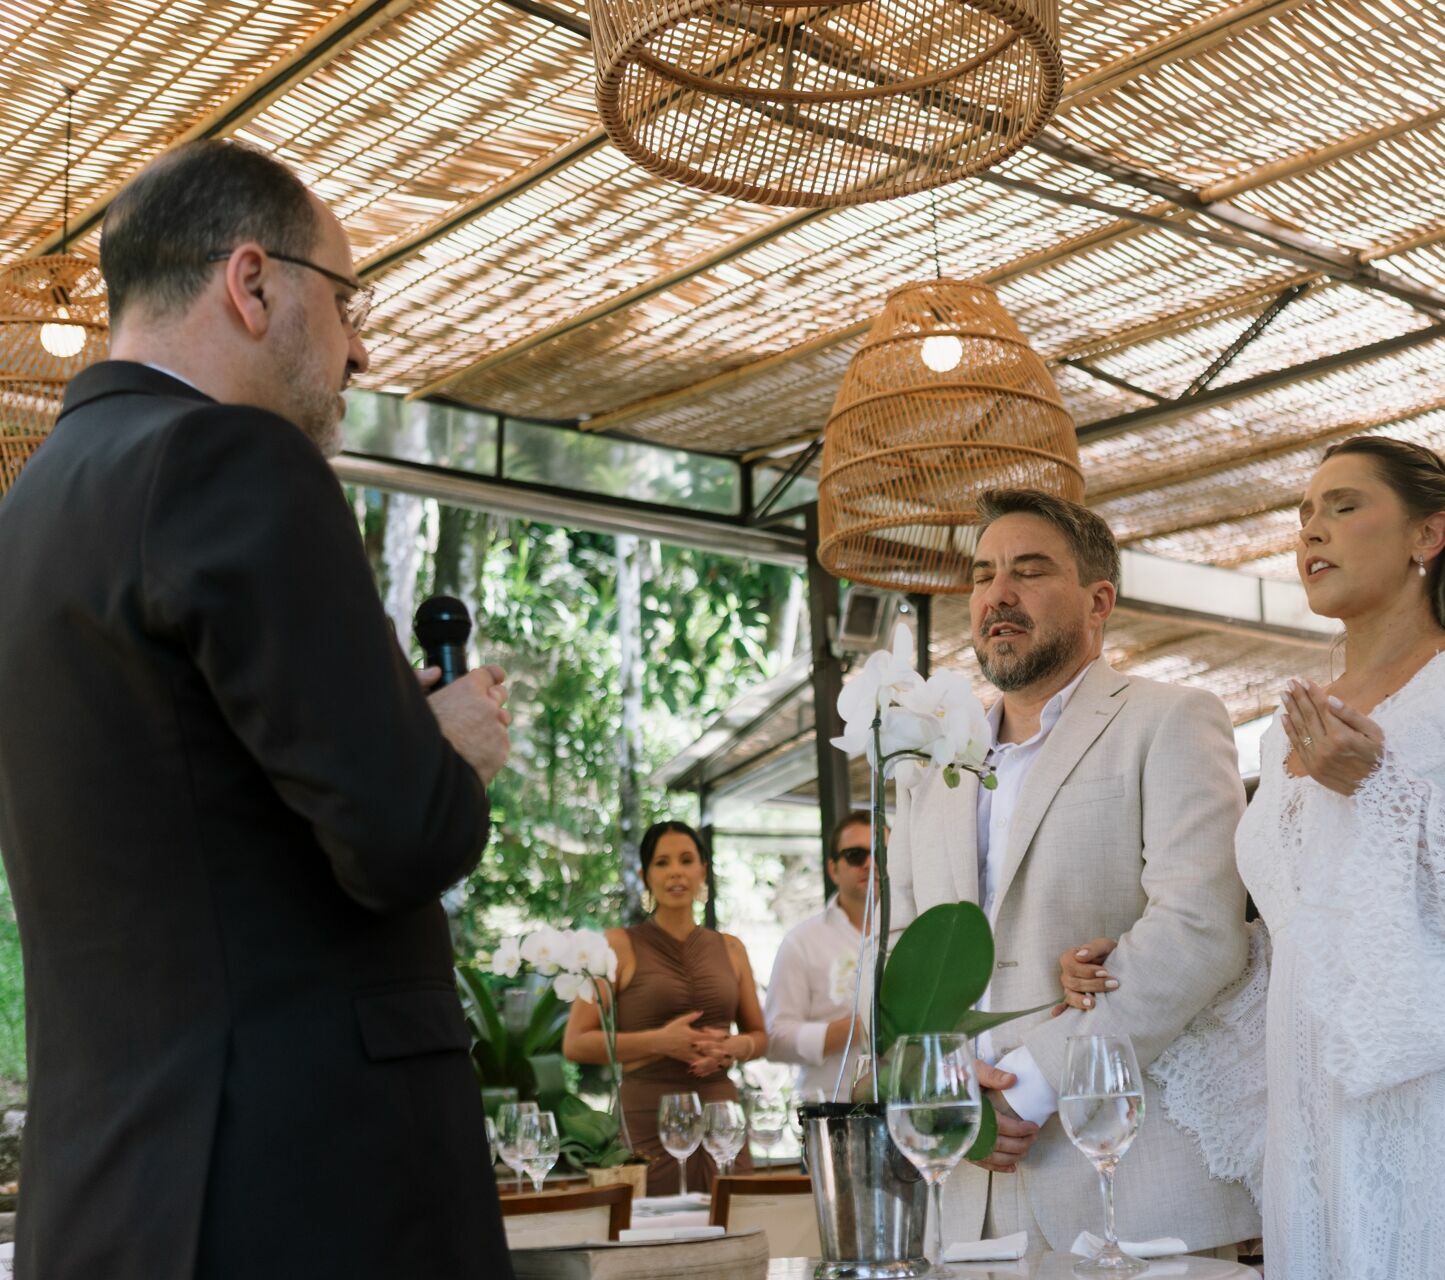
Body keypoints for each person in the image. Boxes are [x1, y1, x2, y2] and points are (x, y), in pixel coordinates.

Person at [0, 140, 515, 1279]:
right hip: (302, 1195)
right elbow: (401, 834)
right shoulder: (236, 459)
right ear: (253, 281)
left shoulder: (25, 512)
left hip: (107, 1204)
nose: (359, 345)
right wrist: (452, 752)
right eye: (345, 299)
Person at [1070, 437, 1445, 1278]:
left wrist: (1382, 786)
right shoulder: (1282, 730)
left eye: (1343, 506)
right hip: (1319, 1112)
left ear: (1427, 536)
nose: (1311, 531)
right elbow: (1315, 931)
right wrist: (1128, 965)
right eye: (1304, 515)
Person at [886, 489, 1259, 1257]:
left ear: (1099, 600)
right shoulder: (926, 765)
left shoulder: (1172, 718)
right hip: (961, 1195)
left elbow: (1199, 928)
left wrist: (1035, 1078)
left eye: (1029, 571)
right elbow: (892, 947)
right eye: (984, 575)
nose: (999, 594)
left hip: (1132, 1183)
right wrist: (950, 1089)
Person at [563, 821, 766, 1195]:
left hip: (722, 1117)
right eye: (662, 862)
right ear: (645, 875)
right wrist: (660, 1041)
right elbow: (576, 1043)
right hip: (647, 1119)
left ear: (702, 871)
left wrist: (737, 1047)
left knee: (734, 1226)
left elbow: (759, 1036)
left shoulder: (732, 948)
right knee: (656, 1237)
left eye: (686, 860)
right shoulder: (615, 946)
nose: (675, 871)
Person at [765, 812, 876, 1102]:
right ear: (833, 868)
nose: (870, 863)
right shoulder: (801, 941)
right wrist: (859, 1027)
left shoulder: (917, 932)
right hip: (829, 1108)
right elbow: (775, 1039)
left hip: (910, 1106)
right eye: (855, 855)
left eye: (882, 853)